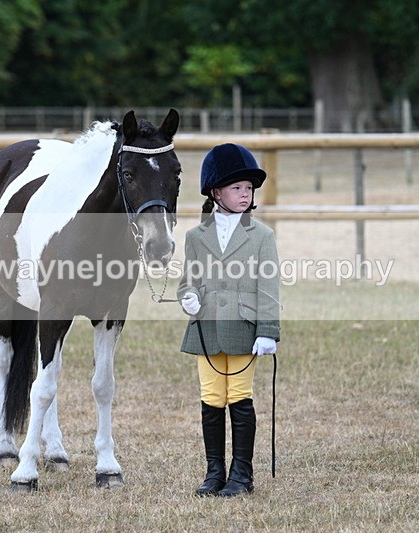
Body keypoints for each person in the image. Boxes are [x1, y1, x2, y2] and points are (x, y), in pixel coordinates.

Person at [178, 143, 281, 497]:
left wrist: (268, 331)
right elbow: (187, 280)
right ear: (216, 192)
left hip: (243, 327)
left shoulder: (262, 236)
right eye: (236, 188)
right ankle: (214, 472)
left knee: (238, 395)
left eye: (248, 189)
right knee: (210, 398)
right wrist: (188, 297)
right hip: (206, 328)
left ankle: (242, 476)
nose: (244, 194)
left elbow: (268, 288)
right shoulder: (195, 237)